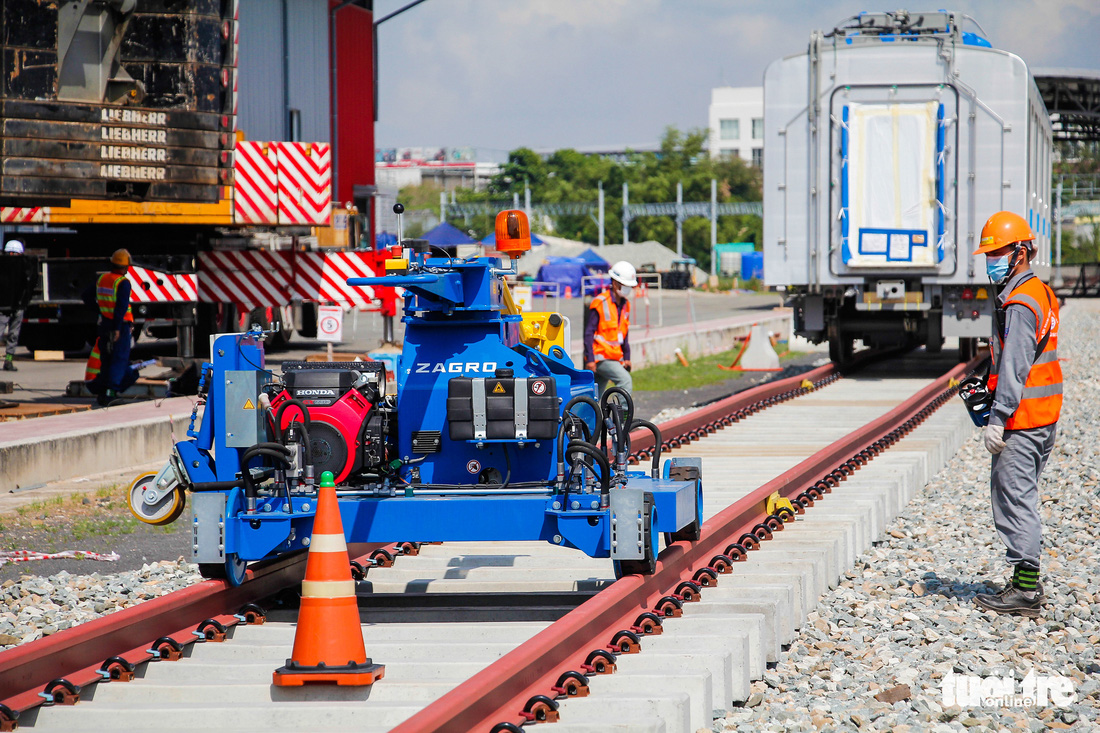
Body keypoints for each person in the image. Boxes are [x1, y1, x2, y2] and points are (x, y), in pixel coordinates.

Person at [971, 211, 1062, 618]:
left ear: (1020, 252)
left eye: (997, 251)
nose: (990, 259)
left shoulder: (1021, 302)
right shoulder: (1038, 291)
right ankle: (1024, 583)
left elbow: (1016, 365)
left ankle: (1025, 591)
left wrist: (998, 417)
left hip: (1022, 421)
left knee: (1014, 500)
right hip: (1042, 416)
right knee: (1021, 496)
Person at [84, 249, 140, 406]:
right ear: (126, 267)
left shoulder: (102, 279)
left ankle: (103, 394)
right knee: (119, 360)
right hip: (119, 326)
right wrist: (116, 329)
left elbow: (86, 296)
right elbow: (121, 308)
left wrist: (100, 310)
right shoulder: (122, 283)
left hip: (104, 325)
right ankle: (111, 393)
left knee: (106, 359)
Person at [584, 260, 636, 395]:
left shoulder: (626, 305)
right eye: (625, 285)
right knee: (625, 381)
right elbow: (589, 333)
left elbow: (624, 334)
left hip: (613, 356)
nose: (627, 289)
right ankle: (623, 414)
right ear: (614, 283)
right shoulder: (600, 302)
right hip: (600, 356)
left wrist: (627, 357)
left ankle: (583, 416)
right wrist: (590, 359)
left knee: (594, 395)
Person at [0, 239, 36, 371]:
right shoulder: (25, 265)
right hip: (7, 306)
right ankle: (8, 361)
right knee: (11, 334)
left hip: (15, 306)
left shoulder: (25, 267)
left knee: (13, 334)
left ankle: (8, 361)